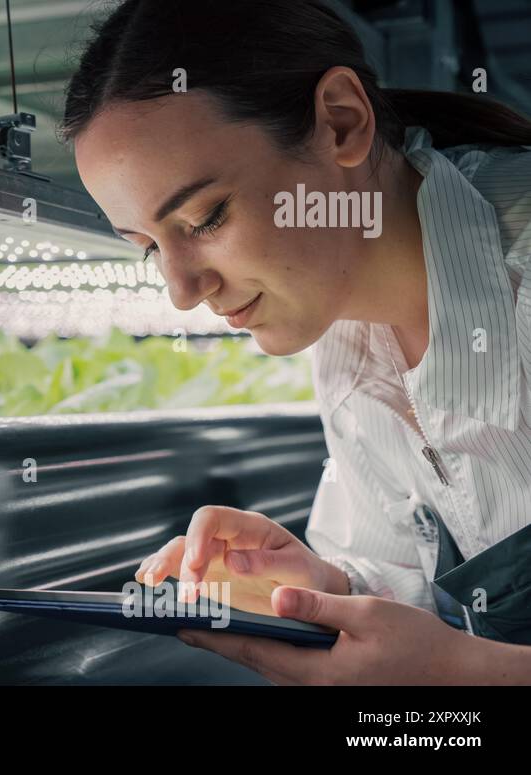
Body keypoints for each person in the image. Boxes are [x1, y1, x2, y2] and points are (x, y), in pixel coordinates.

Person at [60, 0, 531, 684]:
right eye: (148, 249)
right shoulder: (343, 328)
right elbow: (419, 583)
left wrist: (471, 677)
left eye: (206, 216)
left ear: (342, 121)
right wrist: (322, 587)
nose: (183, 291)